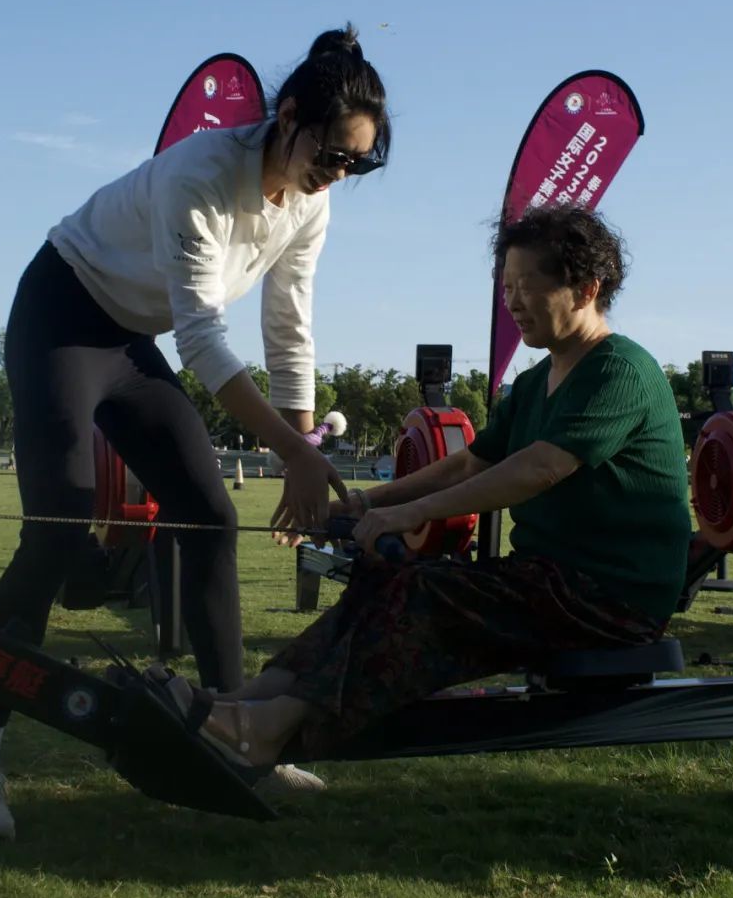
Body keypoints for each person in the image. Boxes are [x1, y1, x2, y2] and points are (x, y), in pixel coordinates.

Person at [0, 25, 392, 837]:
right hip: (61, 314)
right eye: (333, 155)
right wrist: (289, 451)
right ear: (288, 116)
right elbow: (203, 343)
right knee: (56, 527)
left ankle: (240, 738)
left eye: (357, 165)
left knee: (209, 516)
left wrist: (302, 452)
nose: (338, 174)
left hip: (129, 341)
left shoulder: (309, 204)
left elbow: (289, 327)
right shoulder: (200, 172)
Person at [190, 206, 692, 772]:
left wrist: (414, 513)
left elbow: (540, 469)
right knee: (382, 579)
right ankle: (242, 703)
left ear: (586, 289)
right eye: (506, 287)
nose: (513, 302)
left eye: (528, 286)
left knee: (426, 591)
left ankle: (268, 730)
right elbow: (467, 465)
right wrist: (363, 503)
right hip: (551, 583)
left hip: (612, 602)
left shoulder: (619, 370)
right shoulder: (535, 383)